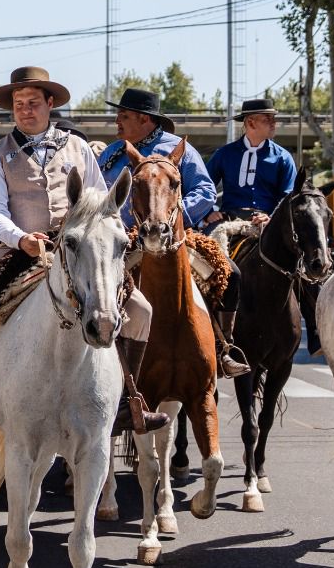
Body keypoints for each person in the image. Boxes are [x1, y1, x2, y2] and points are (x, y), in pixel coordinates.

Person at [0, 67, 168, 435]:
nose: (25, 110)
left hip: (77, 246)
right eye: (18, 105)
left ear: (50, 104)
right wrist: (20, 238)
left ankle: (128, 401)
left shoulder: (77, 147)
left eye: (32, 103)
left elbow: (101, 201)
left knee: (141, 310)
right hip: (19, 247)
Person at [97, 87, 249, 378]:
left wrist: (170, 220)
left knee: (230, 275)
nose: (117, 120)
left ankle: (223, 348)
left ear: (144, 119)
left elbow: (205, 192)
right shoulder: (111, 153)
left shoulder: (179, 149)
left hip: (171, 237)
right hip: (118, 241)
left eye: (123, 115)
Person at [205, 98, 298, 226]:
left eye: (273, 119)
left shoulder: (283, 158)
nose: (273, 123)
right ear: (251, 123)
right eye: (267, 119)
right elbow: (202, 185)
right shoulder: (224, 154)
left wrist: (271, 217)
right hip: (227, 222)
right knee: (198, 245)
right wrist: (209, 212)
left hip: (268, 225)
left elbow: (289, 196)